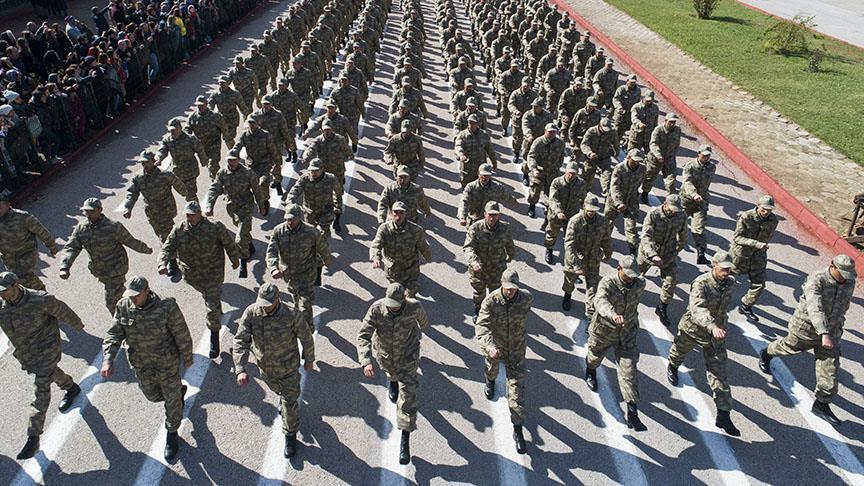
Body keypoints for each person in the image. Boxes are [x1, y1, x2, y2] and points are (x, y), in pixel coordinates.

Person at [101, 276, 192, 461]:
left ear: (147, 291)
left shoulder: (166, 307)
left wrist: (187, 356)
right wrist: (108, 359)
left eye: (136, 295)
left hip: (166, 364)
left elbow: (181, 332)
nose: (133, 299)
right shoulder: (123, 306)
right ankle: (178, 393)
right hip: (141, 365)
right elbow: (114, 333)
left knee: (171, 401)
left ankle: (172, 433)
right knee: (152, 396)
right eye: (130, 295)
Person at [759, 255, 856, 426]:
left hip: (832, 332)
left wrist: (834, 329)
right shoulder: (817, 280)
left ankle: (821, 404)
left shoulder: (849, 281)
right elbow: (814, 308)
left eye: (847, 274)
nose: (844, 278)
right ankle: (766, 353)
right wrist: (823, 332)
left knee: (830, 368)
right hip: (807, 329)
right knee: (788, 347)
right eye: (841, 273)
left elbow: (844, 306)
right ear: (832, 266)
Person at [0, 271, 85, 460]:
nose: (2, 294)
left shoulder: (40, 299)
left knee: (41, 389)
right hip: (27, 352)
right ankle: (70, 387)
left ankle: (33, 437)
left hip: (47, 347)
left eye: (4, 290)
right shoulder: (2, 305)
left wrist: (77, 324)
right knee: (49, 373)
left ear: (16, 285)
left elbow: (63, 310)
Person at [234, 282, 315, 458]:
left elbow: (306, 337)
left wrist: (309, 359)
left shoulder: (292, 314)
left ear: (277, 299)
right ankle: (281, 396)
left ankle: (290, 436)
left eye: (268, 304)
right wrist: (240, 368)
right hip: (266, 370)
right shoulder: (251, 313)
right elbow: (241, 340)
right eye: (262, 303)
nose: (264, 307)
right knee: (278, 391)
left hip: (288, 369)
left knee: (289, 403)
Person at [667, 251, 740, 436]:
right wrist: (711, 325)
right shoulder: (701, 283)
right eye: (723, 268)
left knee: (719, 373)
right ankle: (673, 366)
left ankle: (723, 414)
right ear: (713, 265)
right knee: (679, 352)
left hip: (716, 336)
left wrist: (719, 326)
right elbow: (697, 308)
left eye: (729, 269)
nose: (727, 272)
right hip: (694, 329)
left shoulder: (730, 283)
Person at [357, 283, 429, 465]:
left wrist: (417, 331)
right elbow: (363, 335)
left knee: (407, 399)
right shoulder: (376, 309)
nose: (392, 308)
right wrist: (365, 360)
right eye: (390, 305)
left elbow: (424, 323)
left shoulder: (414, 307)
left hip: (408, 358)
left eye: (396, 306)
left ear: (404, 299)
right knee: (392, 376)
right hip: (386, 358)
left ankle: (405, 440)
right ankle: (393, 381)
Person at [158, 201, 239, 359]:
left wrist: (235, 260)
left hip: (212, 274)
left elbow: (228, 243)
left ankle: (214, 339)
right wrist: (162, 263)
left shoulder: (214, 227)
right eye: (187, 215)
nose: (189, 217)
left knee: (211, 305)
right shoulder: (179, 229)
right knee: (210, 298)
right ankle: (216, 307)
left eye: (192, 215)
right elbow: (167, 246)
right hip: (193, 276)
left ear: (199, 214)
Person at [59, 197, 153, 317]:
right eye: (86, 211)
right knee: (121, 296)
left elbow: (130, 241)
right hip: (100, 271)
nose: (88, 214)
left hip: (116, 269)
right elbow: (72, 247)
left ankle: (123, 323)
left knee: (112, 303)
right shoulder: (81, 229)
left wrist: (146, 249)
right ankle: (145, 303)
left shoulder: (113, 227)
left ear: (100, 210)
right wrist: (65, 266)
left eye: (91, 211)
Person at [585, 256, 647, 431]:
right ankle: (590, 370)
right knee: (595, 357)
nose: (631, 278)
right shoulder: (608, 283)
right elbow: (600, 301)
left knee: (629, 369)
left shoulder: (640, 284)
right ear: (619, 268)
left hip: (627, 333)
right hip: (605, 330)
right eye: (628, 274)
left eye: (633, 275)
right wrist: (612, 314)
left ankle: (632, 413)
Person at [475, 268, 533, 455]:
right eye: (507, 288)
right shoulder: (491, 301)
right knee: (491, 370)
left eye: (513, 288)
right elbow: (482, 326)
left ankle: (518, 430)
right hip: (496, 348)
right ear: (501, 285)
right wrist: (489, 346)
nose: (510, 291)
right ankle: (490, 381)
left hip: (516, 350)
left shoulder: (526, 298)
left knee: (517, 393)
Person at [267, 204, 332, 331]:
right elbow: (271, 252)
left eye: (292, 219)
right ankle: (298, 320)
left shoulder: (311, 232)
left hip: (306, 274)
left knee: (305, 304)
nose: (289, 221)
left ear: (299, 218)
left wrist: (327, 261)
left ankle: (307, 330)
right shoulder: (279, 231)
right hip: (289, 275)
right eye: (287, 219)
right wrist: (273, 268)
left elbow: (322, 248)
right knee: (296, 300)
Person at [204, 150, 266, 278]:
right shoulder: (222, 173)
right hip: (232, 208)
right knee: (242, 230)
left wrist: (261, 206)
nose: (231, 162)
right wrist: (210, 205)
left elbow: (257, 190)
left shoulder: (248, 173)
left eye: (233, 160)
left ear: (238, 160)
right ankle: (250, 246)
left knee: (239, 238)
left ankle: (243, 264)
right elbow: (215, 188)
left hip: (246, 207)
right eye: (229, 160)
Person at [637, 194, 688, 327]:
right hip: (649, 253)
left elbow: (683, 237)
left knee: (671, 282)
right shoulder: (653, 214)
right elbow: (646, 237)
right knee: (635, 277)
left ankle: (662, 308)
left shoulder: (681, 215)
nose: (673, 212)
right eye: (671, 209)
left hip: (668, 254)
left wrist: (676, 251)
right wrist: (652, 255)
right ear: (665, 204)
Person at [123, 150, 188, 254]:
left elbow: (178, 185)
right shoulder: (138, 177)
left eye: (147, 162)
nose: (145, 165)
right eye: (142, 163)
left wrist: (186, 194)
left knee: (165, 234)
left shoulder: (165, 175)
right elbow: (132, 193)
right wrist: (128, 208)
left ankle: (172, 258)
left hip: (165, 209)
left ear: (153, 161)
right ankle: (178, 247)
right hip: (151, 212)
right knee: (160, 233)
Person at [464, 201, 516, 321]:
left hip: (497, 268)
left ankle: (492, 311)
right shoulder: (475, 228)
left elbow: (509, 244)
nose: (492, 218)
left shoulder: (505, 228)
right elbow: (468, 247)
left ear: (499, 215)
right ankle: (478, 310)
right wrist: (474, 262)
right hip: (479, 268)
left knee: (496, 292)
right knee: (479, 292)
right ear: (485, 214)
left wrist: (511, 255)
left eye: (495, 215)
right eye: (490, 215)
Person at [731, 195, 779, 323]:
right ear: (757, 205)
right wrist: (756, 244)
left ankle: (745, 306)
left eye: (769, 210)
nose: (766, 212)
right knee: (725, 277)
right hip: (741, 255)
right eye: (764, 209)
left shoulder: (773, 220)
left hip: (758, 256)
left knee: (759, 284)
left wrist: (760, 247)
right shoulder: (746, 217)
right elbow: (737, 238)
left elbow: (768, 236)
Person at [562, 195, 612, 314]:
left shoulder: (603, 221)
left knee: (593, 287)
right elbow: (569, 244)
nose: (591, 212)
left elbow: (606, 239)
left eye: (594, 210)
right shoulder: (575, 221)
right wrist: (575, 264)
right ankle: (567, 295)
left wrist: (608, 253)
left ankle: (590, 313)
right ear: (584, 206)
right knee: (569, 280)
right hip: (576, 258)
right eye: (589, 209)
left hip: (593, 259)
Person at [370, 201, 431, 297]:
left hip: (411, 268)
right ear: (391, 213)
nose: (398, 216)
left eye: (401, 213)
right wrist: (376, 257)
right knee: (395, 294)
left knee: (410, 294)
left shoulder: (415, 230)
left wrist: (428, 256)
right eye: (396, 212)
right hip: (393, 270)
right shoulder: (384, 229)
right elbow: (376, 244)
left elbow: (423, 245)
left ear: (406, 214)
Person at [0, 193, 58, 290]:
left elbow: (41, 231)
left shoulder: (22, 217)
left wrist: (51, 246)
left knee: (24, 278)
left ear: (8, 205)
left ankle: (42, 293)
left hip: (26, 254)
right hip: (9, 258)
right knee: (17, 282)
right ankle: (37, 293)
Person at [286, 158, 343, 237]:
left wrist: (338, 207)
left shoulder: (331, 179)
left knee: (324, 235)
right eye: (312, 170)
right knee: (309, 234)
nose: (313, 173)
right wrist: (290, 201)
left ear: (322, 169)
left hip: (325, 212)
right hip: (309, 212)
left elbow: (338, 193)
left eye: (316, 170)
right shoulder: (305, 179)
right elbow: (295, 190)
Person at [544, 161, 587, 264]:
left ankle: (570, 257)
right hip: (556, 215)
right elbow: (553, 199)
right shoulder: (557, 182)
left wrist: (585, 205)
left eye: (574, 173)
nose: (571, 175)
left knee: (572, 237)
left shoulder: (581, 183)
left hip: (572, 215)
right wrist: (558, 212)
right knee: (551, 233)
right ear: (565, 171)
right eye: (569, 173)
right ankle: (549, 250)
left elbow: (583, 197)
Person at [679, 145, 716, 265]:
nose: (706, 157)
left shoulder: (712, 167)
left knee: (699, 229)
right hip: (687, 200)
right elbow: (687, 182)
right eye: (704, 155)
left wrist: (701, 197)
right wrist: (694, 194)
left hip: (701, 202)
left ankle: (701, 254)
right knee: (678, 224)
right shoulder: (689, 166)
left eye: (708, 155)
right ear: (698, 154)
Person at [157, 117, 208, 201]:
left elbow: (200, 150)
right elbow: (162, 150)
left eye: (175, 130)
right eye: (171, 130)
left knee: (190, 193)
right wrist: (159, 159)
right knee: (183, 192)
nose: (173, 132)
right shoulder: (167, 140)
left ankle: (194, 207)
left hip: (190, 171)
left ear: (180, 128)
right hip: (177, 171)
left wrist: (204, 161)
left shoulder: (190, 139)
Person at [606, 149, 646, 255]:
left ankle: (633, 250)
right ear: (628, 157)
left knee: (631, 226)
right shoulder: (619, 168)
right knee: (608, 222)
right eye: (634, 160)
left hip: (632, 199)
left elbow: (640, 183)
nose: (636, 163)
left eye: (638, 161)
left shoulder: (642, 169)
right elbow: (614, 187)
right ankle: (603, 243)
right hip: (615, 200)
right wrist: (618, 202)